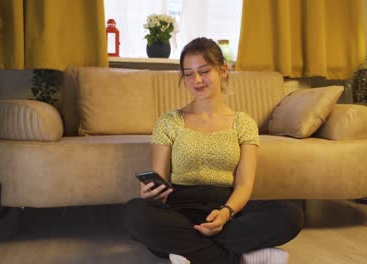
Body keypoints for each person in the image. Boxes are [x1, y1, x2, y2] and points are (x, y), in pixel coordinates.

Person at [123, 37, 304, 264]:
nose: (196, 79)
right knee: (135, 213)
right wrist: (151, 194)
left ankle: (186, 251)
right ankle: (237, 257)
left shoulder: (243, 123)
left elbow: (245, 185)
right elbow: (160, 178)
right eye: (188, 73)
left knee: (290, 215)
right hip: (179, 208)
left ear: (223, 70)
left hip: (226, 210)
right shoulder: (169, 121)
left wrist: (226, 212)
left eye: (204, 71)